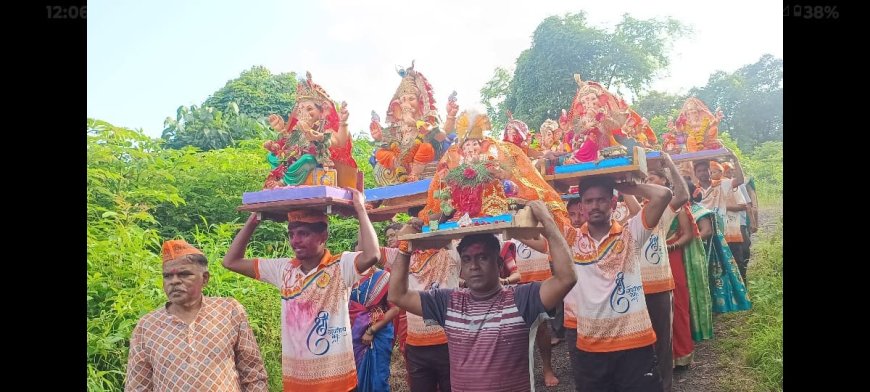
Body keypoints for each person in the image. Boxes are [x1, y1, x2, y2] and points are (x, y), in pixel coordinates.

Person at [389, 201, 577, 392]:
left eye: (483, 257)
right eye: (467, 259)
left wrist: (548, 224)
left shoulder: (522, 298)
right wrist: (405, 246)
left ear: (499, 263)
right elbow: (398, 295)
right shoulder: (448, 302)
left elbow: (566, 278)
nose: (474, 266)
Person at [222, 188, 381, 391]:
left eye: (303, 234)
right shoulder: (284, 269)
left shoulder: (341, 266)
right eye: (291, 234)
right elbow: (231, 261)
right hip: (297, 381)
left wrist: (360, 208)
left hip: (337, 381)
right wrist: (255, 219)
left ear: (323, 236)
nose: (295, 240)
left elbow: (372, 255)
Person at [566, 176, 673, 392]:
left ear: (613, 203)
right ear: (581, 206)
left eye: (602, 200)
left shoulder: (630, 234)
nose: (595, 206)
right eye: (589, 201)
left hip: (635, 345)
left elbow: (663, 195)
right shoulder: (570, 240)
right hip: (590, 346)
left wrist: (623, 186)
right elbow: (536, 226)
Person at [125, 239, 268, 392]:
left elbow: (253, 373)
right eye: (167, 276)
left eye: (184, 274)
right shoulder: (147, 326)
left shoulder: (228, 311)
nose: (174, 281)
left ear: (205, 278)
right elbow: (138, 386)